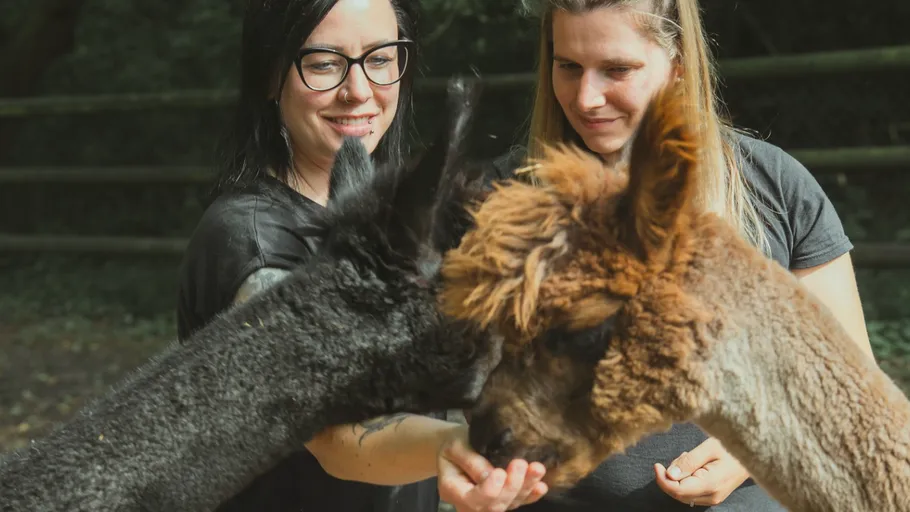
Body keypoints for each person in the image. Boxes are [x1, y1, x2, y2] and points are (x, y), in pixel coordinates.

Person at [481, 0, 876, 510]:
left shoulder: (772, 187)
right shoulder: (500, 198)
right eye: (568, 67)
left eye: (617, 69)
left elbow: (849, 386)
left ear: (678, 66)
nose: (586, 97)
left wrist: (751, 451)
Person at [175, 0, 548, 511]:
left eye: (380, 58)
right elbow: (336, 435)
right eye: (324, 63)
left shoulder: (405, 215)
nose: (358, 91)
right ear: (269, 74)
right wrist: (463, 447)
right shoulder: (251, 241)